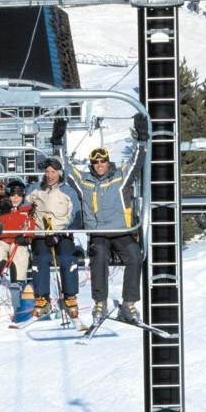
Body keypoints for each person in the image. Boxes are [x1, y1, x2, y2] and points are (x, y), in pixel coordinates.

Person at [54, 117, 146, 325]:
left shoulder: (120, 177)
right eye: (95, 162)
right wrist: (57, 143)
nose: (99, 165)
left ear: (108, 161)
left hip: (122, 230)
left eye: (102, 161)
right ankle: (100, 302)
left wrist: (142, 139)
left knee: (134, 256)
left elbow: (136, 162)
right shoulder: (84, 181)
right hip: (98, 234)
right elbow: (64, 168)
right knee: (99, 257)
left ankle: (129, 303)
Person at [28, 157, 80, 319]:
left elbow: (77, 216)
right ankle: (42, 297)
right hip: (41, 234)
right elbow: (23, 209)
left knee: (67, 258)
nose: (50, 175)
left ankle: (70, 296)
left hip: (61, 233)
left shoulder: (68, 191)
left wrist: (63, 233)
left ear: (59, 173)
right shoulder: (35, 189)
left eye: (53, 172)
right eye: (47, 172)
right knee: (41, 258)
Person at [0, 180, 36, 319]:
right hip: (3, 239)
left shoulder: (27, 210)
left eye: (19, 194)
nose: (16, 197)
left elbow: (31, 225)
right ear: (8, 195)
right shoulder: (3, 206)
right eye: (13, 194)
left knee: (20, 254)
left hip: (18, 241)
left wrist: (27, 238)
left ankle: (17, 283)